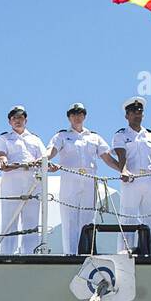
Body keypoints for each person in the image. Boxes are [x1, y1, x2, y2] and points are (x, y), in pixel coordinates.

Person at [47, 103, 120, 253]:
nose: (77, 117)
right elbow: (51, 151)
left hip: (89, 179)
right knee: (69, 218)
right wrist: (45, 161)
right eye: (73, 114)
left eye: (80, 113)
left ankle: (87, 252)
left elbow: (107, 158)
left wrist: (124, 170)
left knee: (88, 218)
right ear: (69, 117)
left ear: (84, 116)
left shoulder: (94, 137)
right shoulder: (61, 136)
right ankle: (71, 254)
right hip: (70, 178)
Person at [110, 98, 151, 253]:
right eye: (133, 113)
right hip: (131, 179)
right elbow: (121, 154)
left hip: (149, 179)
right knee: (128, 216)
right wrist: (123, 170)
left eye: (140, 112)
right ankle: (125, 251)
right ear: (127, 116)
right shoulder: (121, 135)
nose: (137, 115)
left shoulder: (150, 135)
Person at [0, 105, 49, 255]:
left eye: (20, 117)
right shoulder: (4, 138)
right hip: (12, 183)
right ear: (10, 121)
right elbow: (0, 153)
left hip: (32, 183)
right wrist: (3, 159)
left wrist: (40, 162)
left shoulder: (35, 139)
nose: (18, 120)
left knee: (31, 221)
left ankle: (29, 254)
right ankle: (7, 254)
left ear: (26, 120)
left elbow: (43, 158)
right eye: (14, 118)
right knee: (10, 221)